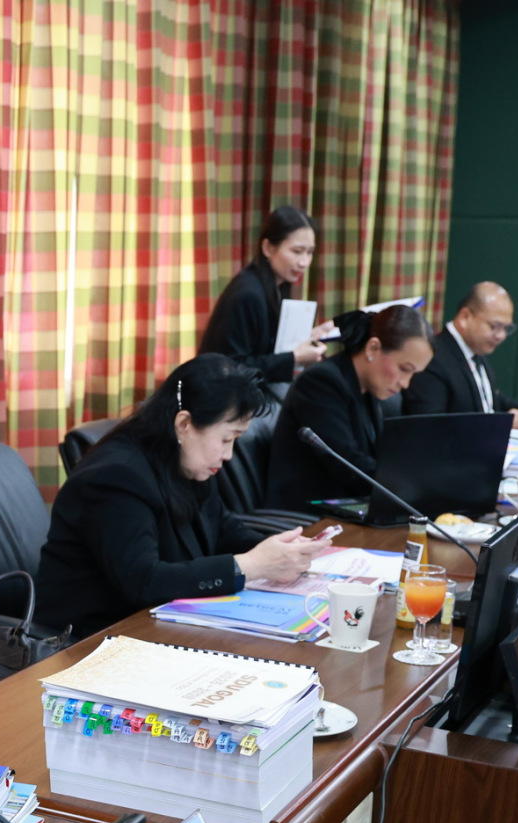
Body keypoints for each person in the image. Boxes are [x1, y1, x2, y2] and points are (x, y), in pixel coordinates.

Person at [36, 354, 331, 639]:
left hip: (155, 626)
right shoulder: (116, 476)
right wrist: (252, 565)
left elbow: (223, 529)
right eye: (226, 439)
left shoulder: (183, 459)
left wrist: (280, 551)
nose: (228, 454)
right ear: (184, 425)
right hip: (88, 641)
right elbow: (143, 581)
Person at [266, 305, 435, 513]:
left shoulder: (369, 389)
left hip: (348, 511)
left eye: (413, 374)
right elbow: (347, 465)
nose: (405, 383)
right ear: (373, 348)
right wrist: (411, 487)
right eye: (404, 369)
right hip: (305, 518)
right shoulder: (321, 382)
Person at [198, 206, 341, 383]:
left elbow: (266, 347)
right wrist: (295, 357)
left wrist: (310, 337)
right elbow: (233, 368)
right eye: (297, 251)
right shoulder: (247, 294)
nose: (304, 262)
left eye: (310, 252)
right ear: (268, 248)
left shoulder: (277, 285)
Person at [401, 282, 518, 430]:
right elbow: (430, 425)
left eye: (506, 328)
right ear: (465, 317)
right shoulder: (433, 356)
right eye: (494, 326)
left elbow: (493, 403)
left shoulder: (475, 352)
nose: (501, 335)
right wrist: (500, 424)